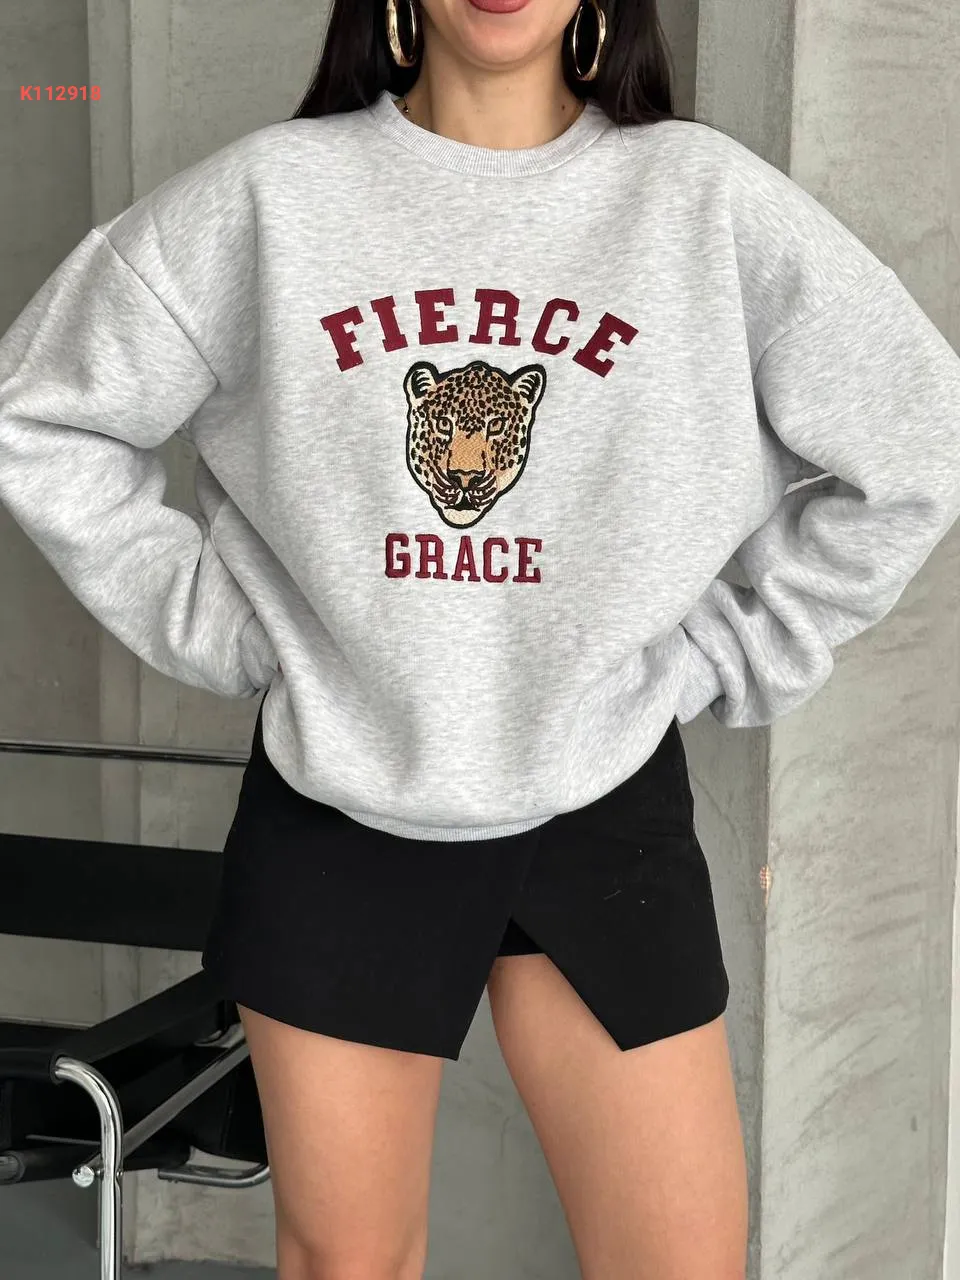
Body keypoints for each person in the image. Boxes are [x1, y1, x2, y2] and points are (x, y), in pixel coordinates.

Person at [2, 0, 960, 1276]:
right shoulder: (273, 199)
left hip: (601, 788)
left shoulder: (701, 202)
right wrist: (228, 628)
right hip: (345, 795)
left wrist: (728, 650)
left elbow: (916, 438)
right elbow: (44, 417)